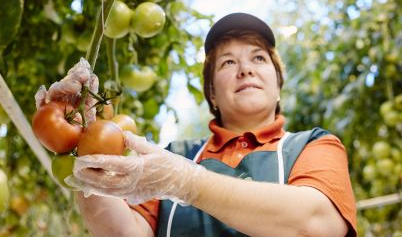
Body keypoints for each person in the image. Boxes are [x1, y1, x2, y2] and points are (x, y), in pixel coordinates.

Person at [36, 13, 357, 237]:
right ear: (212, 92)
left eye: (258, 58)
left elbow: (315, 224)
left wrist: (188, 183)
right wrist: (85, 148)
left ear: (278, 83)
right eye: (228, 62)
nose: (245, 69)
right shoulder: (171, 156)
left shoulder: (313, 146)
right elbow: (123, 233)